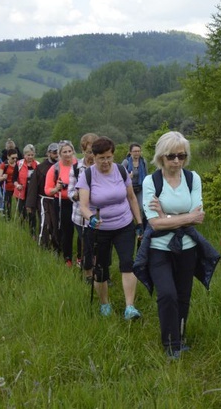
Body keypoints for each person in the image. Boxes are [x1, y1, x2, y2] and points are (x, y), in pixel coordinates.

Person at [134, 131, 210, 358]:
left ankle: (180, 338)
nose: (177, 161)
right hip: (159, 249)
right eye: (171, 156)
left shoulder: (192, 178)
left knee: (183, 295)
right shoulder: (151, 181)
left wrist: (166, 215)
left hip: (188, 247)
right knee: (167, 294)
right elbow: (154, 223)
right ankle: (169, 344)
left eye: (182, 156)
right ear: (161, 157)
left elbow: (199, 215)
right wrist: (180, 218)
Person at [76, 136, 143, 319]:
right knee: (101, 269)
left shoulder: (121, 171)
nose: (105, 162)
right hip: (99, 230)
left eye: (109, 157)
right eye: (101, 158)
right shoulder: (87, 175)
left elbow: (131, 198)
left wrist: (139, 223)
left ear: (113, 155)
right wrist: (90, 218)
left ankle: (130, 307)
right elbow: (83, 205)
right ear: (94, 157)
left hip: (124, 225)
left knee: (128, 264)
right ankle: (105, 304)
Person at [69, 133, 98, 276]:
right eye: (88, 152)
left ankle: (100, 271)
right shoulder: (76, 168)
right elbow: (70, 191)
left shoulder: (103, 167)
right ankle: (88, 274)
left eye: (94, 151)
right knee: (87, 245)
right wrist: (76, 195)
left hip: (99, 214)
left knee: (98, 245)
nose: (91, 155)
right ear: (83, 150)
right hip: (80, 215)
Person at [45, 140, 78, 266]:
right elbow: (47, 189)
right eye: (64, 152)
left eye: (70, 151)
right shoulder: (55, 168)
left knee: (82, 231)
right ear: (60, 153)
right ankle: (67, 258)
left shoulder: (79, 165)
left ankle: (81, 258)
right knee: (66, 231)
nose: (68, 154)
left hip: (78, 202)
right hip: (61, 202)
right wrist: (56, 189)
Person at [26, 143, 60, 249]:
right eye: (54, 152)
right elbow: (33, 187)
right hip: (43, 200)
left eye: (58, 152)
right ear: (48, 153)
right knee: (45, 223)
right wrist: (30, 204)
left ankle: (57, 248)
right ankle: (44, 246)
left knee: (56, 225)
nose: (56, 155)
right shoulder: (40, 168)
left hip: (58, 200)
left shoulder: (63, 166)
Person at [13, 144, 38, 236]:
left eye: (32, 155)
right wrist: (17, 185)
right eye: (28, 155)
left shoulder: (37, 165)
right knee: (22, 213)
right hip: (21, 191)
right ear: (24, 155)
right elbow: (14, 179)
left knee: (32, 213)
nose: (30, 157)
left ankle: (33, 233)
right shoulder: (19, 164)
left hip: (32, 193)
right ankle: (22, 232)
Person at [122, 143, 148, 228]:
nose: (137, 153)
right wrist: (127, 177)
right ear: (130, 152)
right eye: (135, 151)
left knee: (141, 207)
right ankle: (130, 226)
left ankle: (141, 226)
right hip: (129, 189)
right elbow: (119, 176)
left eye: (138, 151)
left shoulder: (143, 161)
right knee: (130, 208)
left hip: (140, 188)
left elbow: (146, 175)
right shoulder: (126, 162)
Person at [0, 149, 19, 220]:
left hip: (17, 187)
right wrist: (3, 177)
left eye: (16, 158)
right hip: (7, 187)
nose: (15, 159)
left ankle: (21, 218)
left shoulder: (18, 164)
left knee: (19, 204)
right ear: (8, 157)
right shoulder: (4, 165)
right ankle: (7, 219)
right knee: (8, 205)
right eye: (13, 158)